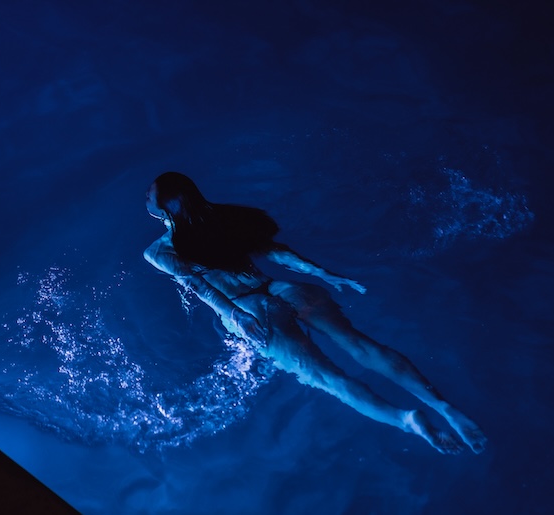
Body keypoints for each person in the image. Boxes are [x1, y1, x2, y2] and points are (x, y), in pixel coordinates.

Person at [143, 172, 486, 454]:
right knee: (362, 346)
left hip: (252, 310)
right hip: (285, 289)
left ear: (164, 209)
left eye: (149, 195)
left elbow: (201, 288)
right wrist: (322, 273)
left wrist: (236, 316)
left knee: (332, 380)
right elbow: (275, 251)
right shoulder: (223, 219)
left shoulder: (159, 251)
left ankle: (406, 420)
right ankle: (444, 407)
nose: (145, 198)